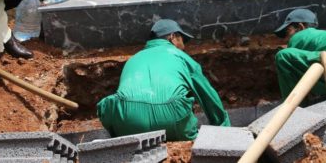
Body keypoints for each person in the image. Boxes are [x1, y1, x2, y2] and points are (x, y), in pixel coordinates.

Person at [97, 19, 230, 140]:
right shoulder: (180, 56)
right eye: (182, 39)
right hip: (172, 116)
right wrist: (223, 129)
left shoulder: (132, 59)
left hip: (127, 119)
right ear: (172, 37)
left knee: (109, 104)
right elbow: (207, 95)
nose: (183, 47)